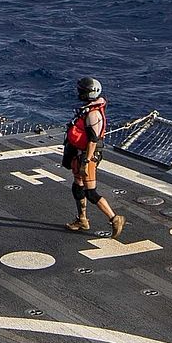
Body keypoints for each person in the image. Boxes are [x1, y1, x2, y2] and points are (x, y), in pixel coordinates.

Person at [61, 76, 125, 237]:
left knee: (91, 192)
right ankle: (81, 219)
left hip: (86, 156)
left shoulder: (93, 115)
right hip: (78, 154)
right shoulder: (88, 110)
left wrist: (86, 161)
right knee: (78, 186)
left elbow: (93, 140)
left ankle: (114, 218)